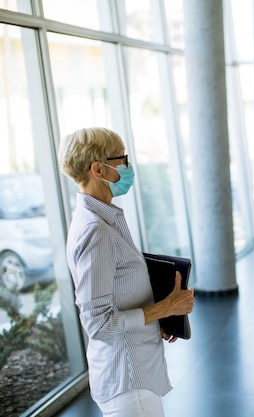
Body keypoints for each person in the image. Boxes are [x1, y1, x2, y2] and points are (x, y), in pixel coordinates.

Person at [59, 127, 195, 417]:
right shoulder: (96, 230)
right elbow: (98, 324)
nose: (129, 167)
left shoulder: (105, 218)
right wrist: (164, 309)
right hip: (129, 385)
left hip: (133, 373)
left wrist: (156, 317)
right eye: (123, 159)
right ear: (98, 169)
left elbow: (118, 293)